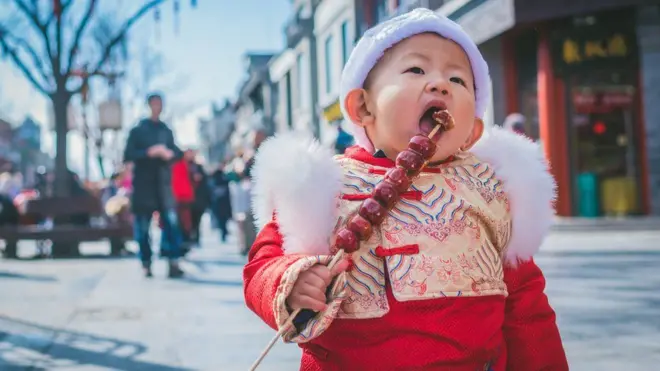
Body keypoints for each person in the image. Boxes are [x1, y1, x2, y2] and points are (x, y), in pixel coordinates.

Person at [243, 9, 567, 370]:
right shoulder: (319, 185)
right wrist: (291, 282)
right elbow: (262, 264)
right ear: (363, 107)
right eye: (416, 70)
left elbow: (527, 308)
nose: (440, 84)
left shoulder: (493, 192)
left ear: (472, 130)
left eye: (458, 80)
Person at [124, 93, 185, 278]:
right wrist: (149, 152)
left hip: (163, 185)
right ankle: (146, 262)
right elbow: (128, 154)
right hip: (143, 185)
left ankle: (172, 261)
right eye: (155, 104)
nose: (157, 107)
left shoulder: (166, 130)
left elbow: (176, 152)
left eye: (160, 104)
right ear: (149, 105)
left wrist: (169, 154)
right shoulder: (138, 130)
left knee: (171, 225)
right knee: (142, 227)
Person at [210, 163, 232, 243]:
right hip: (220, 201)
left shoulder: (222, 176)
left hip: (221, 202)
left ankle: (224, 232)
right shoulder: (220, 176)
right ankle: (224, 232)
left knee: (222, 218)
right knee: (222, 218)